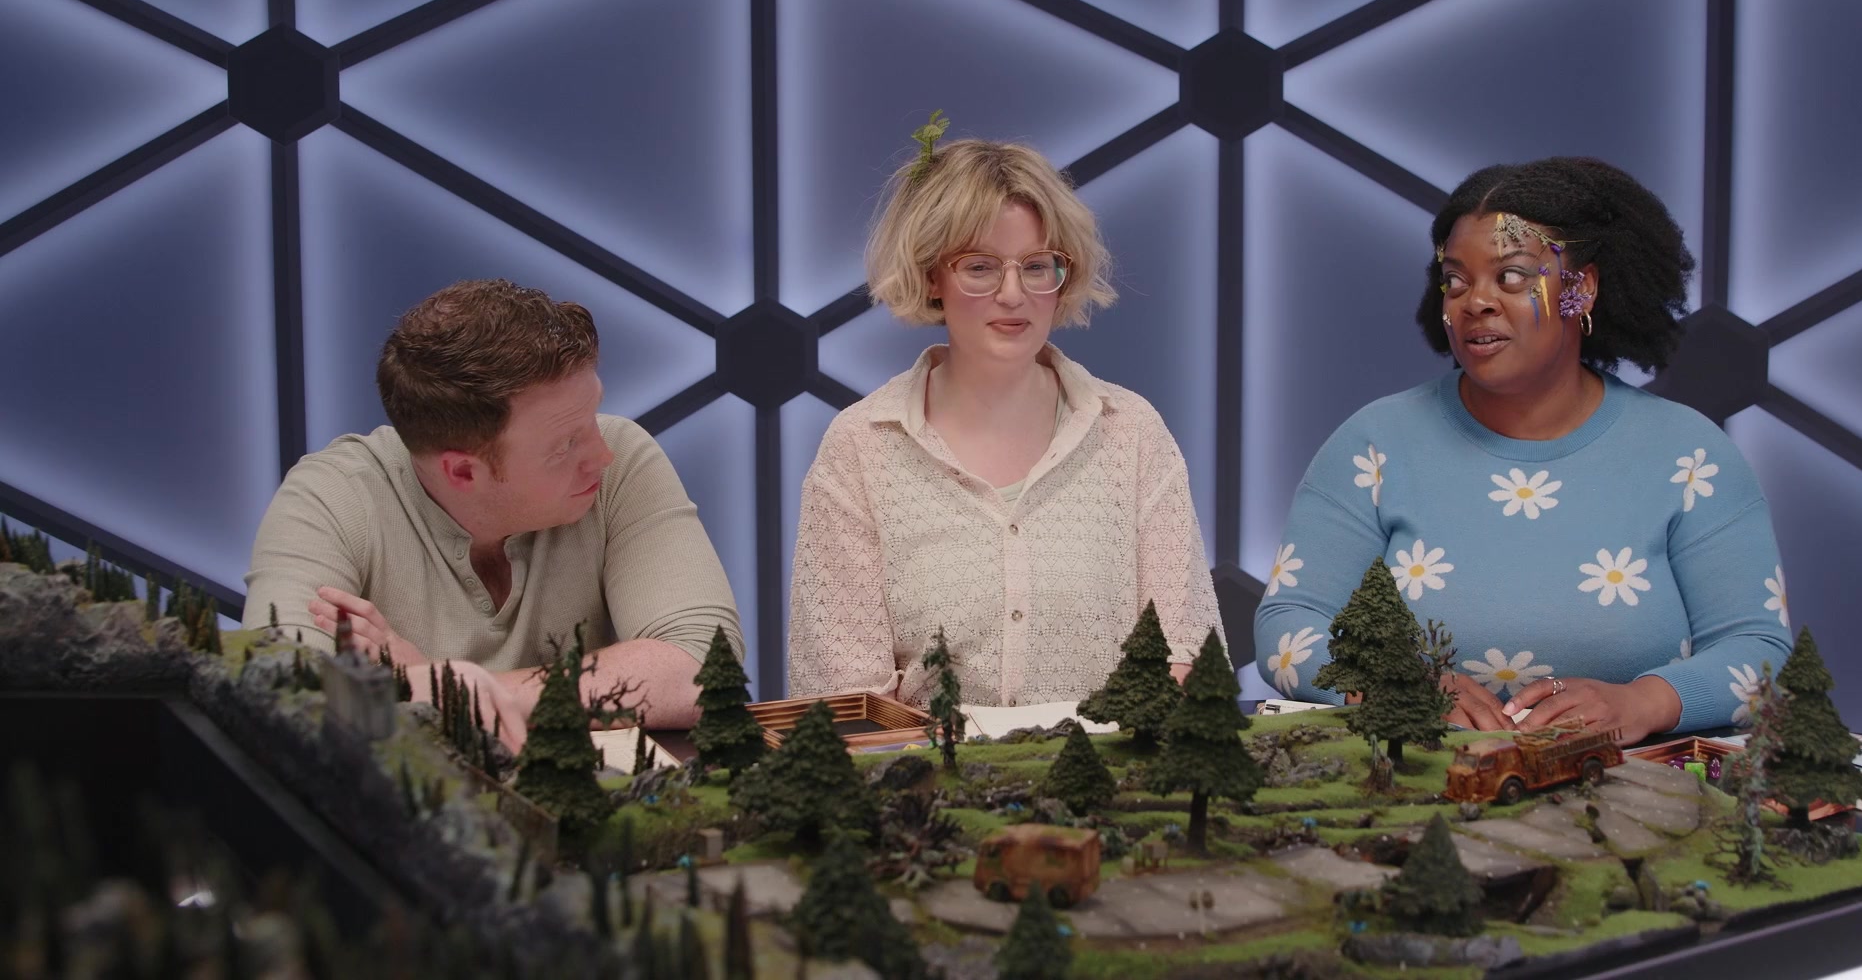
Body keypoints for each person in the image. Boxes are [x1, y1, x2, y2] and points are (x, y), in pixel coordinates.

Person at [1254, 157, 1791, 745]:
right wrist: (1393, 684)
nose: (1475, 302)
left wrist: (1643, 702)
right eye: (1456, 280)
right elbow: (1287, 628)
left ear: (1580, 289)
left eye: (1510, 277)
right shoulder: (1374, 444)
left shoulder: (1690, 456)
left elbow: (1759, 651)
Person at [786, 127, 1223, 707]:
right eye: (980, 267)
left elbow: (1186, 655)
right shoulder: (861, 446)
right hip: (921, 766)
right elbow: (845, 697)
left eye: (1037, 266)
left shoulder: (1131, 431)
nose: (1013, 294)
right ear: (931, 275)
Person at [242, 279, 742, 747]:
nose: (602, 453)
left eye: (592, 415)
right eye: (565, 444)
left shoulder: (623, 462)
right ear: (463, 472)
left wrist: (440, 689)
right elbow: (281, 702)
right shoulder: (332, 498)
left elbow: (703, 669)